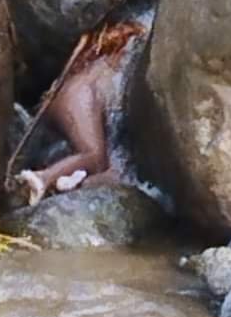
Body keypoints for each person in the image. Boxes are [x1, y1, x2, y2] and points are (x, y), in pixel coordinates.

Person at [13, 21, 145, 206]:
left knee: (104, 167)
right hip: (80, 96)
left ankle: (71, 181)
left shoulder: (91, 54)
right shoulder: (123, 52)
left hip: (63, 95)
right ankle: (41, 178)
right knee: (94, 155)